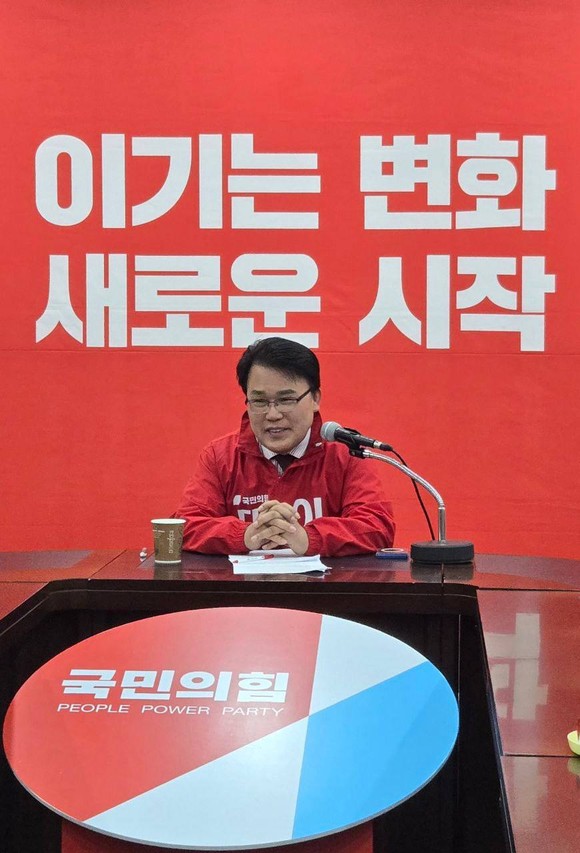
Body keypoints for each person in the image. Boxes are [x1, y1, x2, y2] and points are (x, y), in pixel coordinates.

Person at [175, 337, 395, 556]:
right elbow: (183, 526)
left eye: (286, 400)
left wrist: (308, 538)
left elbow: (377, 527)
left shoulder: (346, 454)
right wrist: (245, 535)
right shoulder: (221, 455)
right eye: (259, 401)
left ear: (315, 398)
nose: (273, 414)